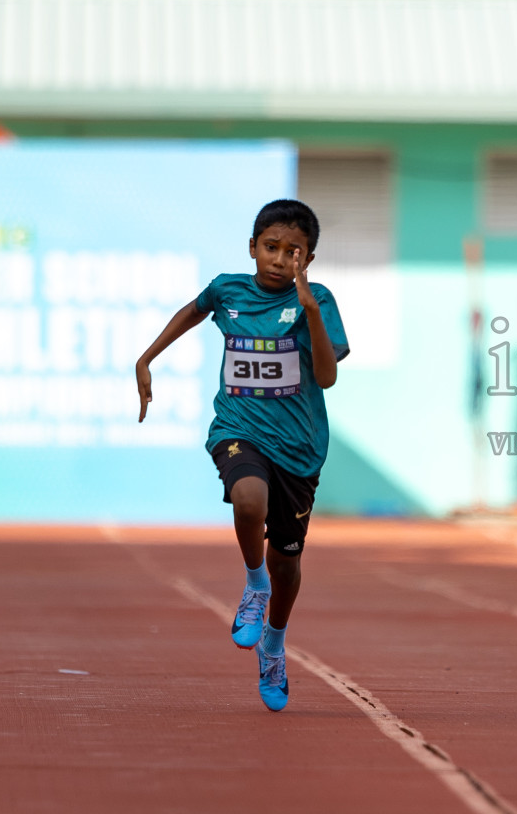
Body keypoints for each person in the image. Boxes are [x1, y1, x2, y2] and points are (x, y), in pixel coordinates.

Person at [136, 199, 348, 712]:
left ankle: (274, 641)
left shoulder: (315, 299)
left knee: (288, 561)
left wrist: (312, 314)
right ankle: (254, 586)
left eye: (292, 252)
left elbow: (326, 376)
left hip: (299, 448)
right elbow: (192, 311)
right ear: (252, 247)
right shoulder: (228, 288)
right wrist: (146, 358)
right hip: (238, 429)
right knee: (247, 500)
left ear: (308, 259)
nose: (278, 259)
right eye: (270, 248)